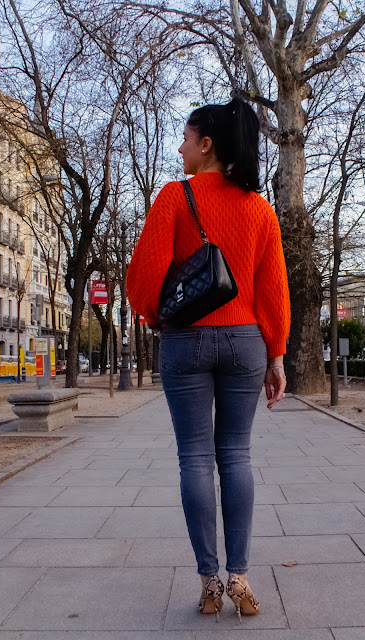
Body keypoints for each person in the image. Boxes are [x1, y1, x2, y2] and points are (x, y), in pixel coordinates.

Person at [126, 97, 290, 621]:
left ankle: (209, 583)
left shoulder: (174, 198)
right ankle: (241, 577)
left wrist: (153, 314)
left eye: (185, 137)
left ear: (206, 144)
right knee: (236, 456)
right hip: (245, 342)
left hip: (187, 340)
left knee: (194, 458)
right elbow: (274, 291)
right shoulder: (260, 209)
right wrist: (277, 354)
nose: (179, 147)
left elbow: (144, 279)